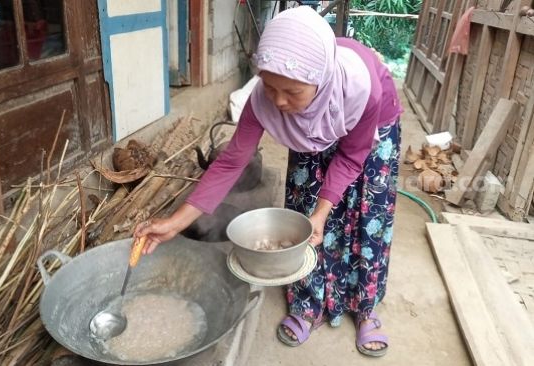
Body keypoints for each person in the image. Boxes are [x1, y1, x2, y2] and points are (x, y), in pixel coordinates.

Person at [134, 6, 402, 358]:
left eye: (290, 92)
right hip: (309, 129)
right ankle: (308, 302)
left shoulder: (361, 90)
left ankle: (364, 306)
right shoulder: (267, 99)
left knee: (363, 218)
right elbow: (231, 162)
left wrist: (325, 212)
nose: (278, 100)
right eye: (269, 85)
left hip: (372, 127)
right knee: (302, 221)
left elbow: (351, 157)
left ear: (319, 80)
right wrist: (174, 222)